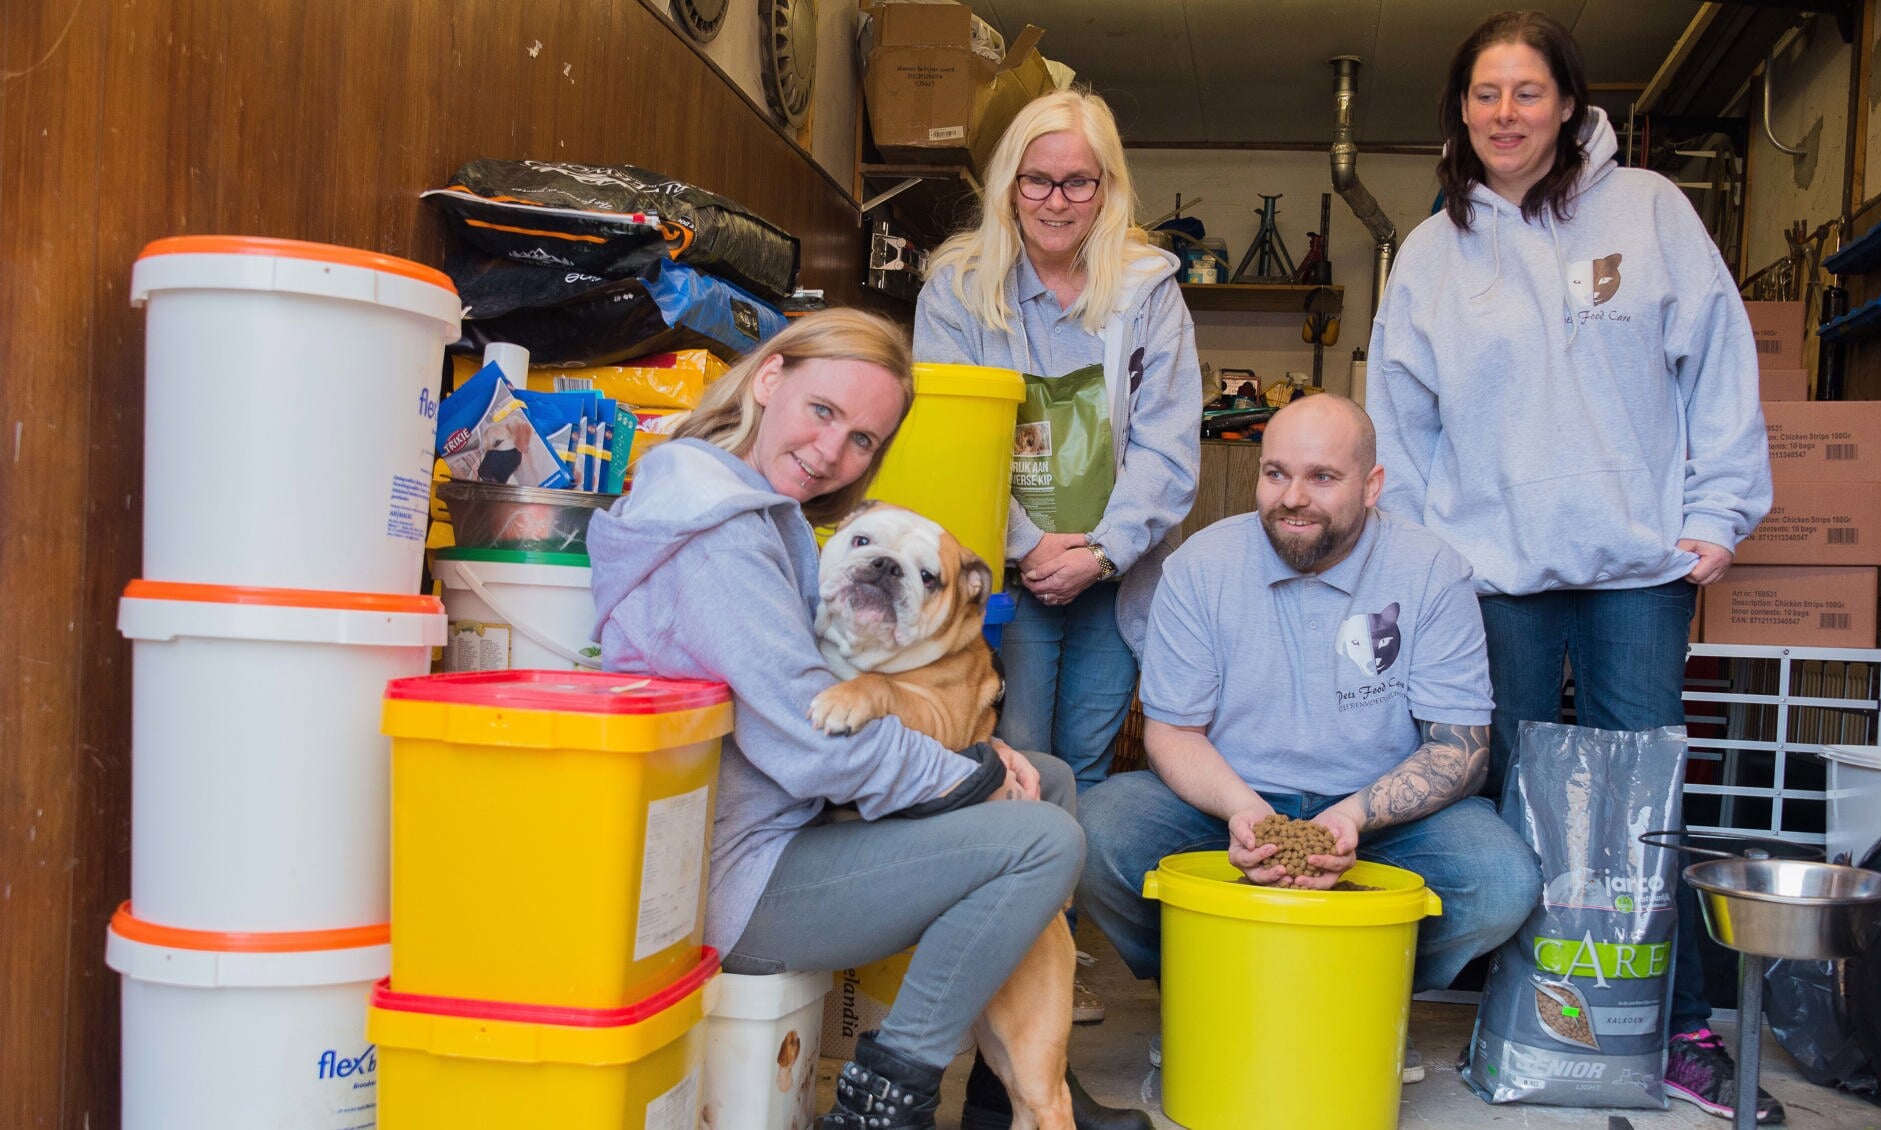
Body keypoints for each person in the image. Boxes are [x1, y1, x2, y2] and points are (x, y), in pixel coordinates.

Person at [587, 309, 1144, 1130]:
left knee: (1049, 780)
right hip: (727, 884)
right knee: (1043, 837)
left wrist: (981, 759)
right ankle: (890, 1090)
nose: (832, 452)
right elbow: (817, 750)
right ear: (770, 378)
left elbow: (812, 710)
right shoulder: (719, 541)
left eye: (862, 441)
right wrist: (976, 778)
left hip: (774, 830)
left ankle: (1020, 1087)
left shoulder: (749, 507)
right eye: (823, 412)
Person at [1366, 11, 1775, 1121]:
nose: (1506, 113)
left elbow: (1718, 362)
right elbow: (1398, 428)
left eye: (1528, 92)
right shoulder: (1433, 251)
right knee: (1492, 792)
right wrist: (1422, 559)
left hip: (1635, 566)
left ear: (1567, 103)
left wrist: (1719, 512)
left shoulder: (1649, 212)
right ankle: (1517, 1004)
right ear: (1461, 109)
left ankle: (1678, 1021)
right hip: (1489, 573)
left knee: (1648, 801)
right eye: (1487, 93)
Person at [1075, 393, 1540, 1081]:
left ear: (1373, 485)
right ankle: (1209, 994)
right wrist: (1245, 812)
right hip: (1226, 805)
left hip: (1379, 815)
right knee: (1092, 833)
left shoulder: (1431, 572)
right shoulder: (1201, 568)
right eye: (1275, 473)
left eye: (1322, 477)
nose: (1293, 498)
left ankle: (1369, 995)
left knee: (1501, 878)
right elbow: (1173, 733)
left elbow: (1459, 749)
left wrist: (1350, 818)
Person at [914, 89, 1202, 796]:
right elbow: (950, 446)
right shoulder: (957, 289)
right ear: (1010, 184)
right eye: (1036, 179)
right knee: (1023, 763)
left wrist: (1101, 553)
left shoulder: (1150, 291)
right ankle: (1036, 905)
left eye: (1078, 181)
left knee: (1093, 766)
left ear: (1107, 190)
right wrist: (1030, 547)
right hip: (1010, 572)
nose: (1056, 201)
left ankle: (1079, 906)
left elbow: (1168, 445)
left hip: (1116, 570)